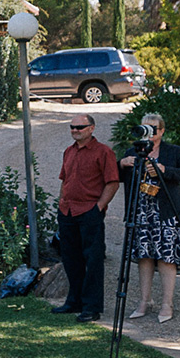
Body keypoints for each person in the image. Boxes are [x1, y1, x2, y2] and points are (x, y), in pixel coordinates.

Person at [118, 112, 180, 322]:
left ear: (162, 131)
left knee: (166, 257)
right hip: (141, 211)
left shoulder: (173, 152)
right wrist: (122, 163)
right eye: (145, 128)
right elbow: (114, 177)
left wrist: (165, 170)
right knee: (144, 256)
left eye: (154, 129)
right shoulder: (133, 151)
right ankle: (145, 301)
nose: (149, 133)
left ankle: (167, 304)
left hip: (166, 212)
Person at [52, 113, 120, 321]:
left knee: (93, 260)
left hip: (89, 212)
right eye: (72, 127)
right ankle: (74, 301)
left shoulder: (103, 152)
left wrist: (99, 207)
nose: (75, 130)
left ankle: (92, 307)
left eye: (79, 127)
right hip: (68, 212)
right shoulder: (68, 152)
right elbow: (65, 180)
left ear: (91, 128)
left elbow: (113, 182)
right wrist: (62, 201)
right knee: (71, 259)